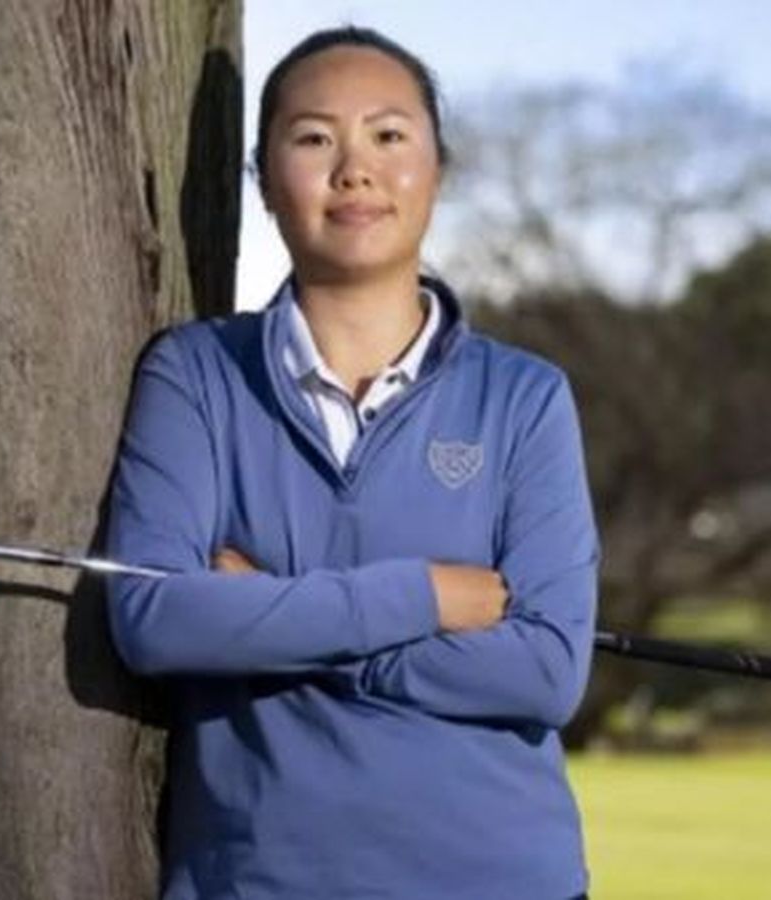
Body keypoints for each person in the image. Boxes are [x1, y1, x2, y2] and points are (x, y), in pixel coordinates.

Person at [105, 26, 599, 900]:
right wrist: (425, 598)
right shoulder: (195, 375)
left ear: (437, 168)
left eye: (388, 134)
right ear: (262, 181)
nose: (354, 169)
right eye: (313, 138)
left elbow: (546, 669)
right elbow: (156, 617)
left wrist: (272, 611)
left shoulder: (526, 398)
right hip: (254, 881)